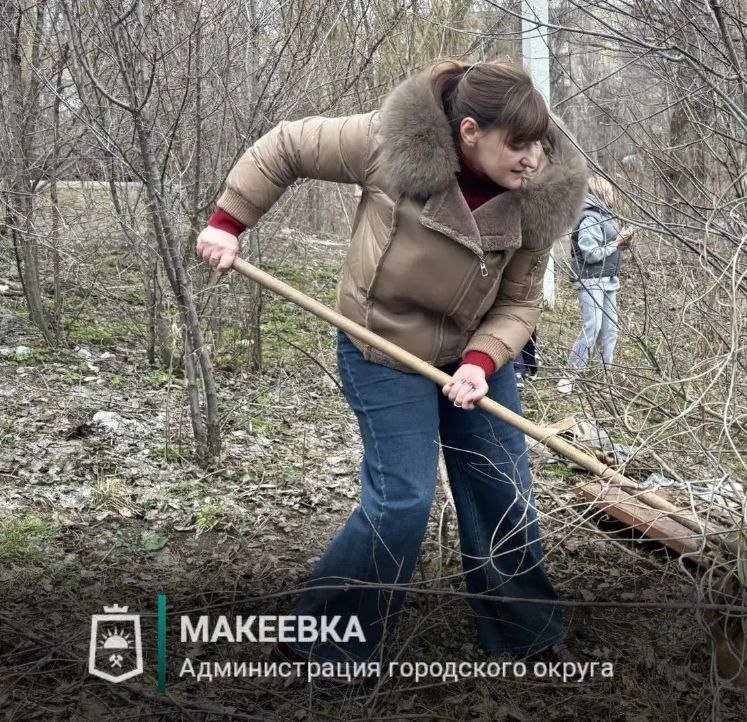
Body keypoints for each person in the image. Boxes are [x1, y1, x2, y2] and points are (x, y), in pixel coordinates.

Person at [195, 60, 590, 679]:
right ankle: (321, 642)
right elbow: (288, 146)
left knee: (501, 485)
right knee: (403, 499)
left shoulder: (540, 196)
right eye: (516, 144)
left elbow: (519, 302)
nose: (532, 158)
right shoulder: (389, 142)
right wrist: (228, 222)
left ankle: (525, 632)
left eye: (539, 142)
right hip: (382, 345)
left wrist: (484, 362)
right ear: (467, 132)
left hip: (475, 355)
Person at [558, 176, 635, 394]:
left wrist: (623, 242)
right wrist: (616, 242)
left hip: (608, 279)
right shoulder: (591, 217)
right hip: (591, 280)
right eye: (610, 191)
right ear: (601, 193)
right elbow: (591, 254)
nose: (613, 195)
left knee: (610, 330)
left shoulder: (605, 216)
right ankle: (568, 376)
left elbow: (608, 246)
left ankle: (605, 381)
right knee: (592, 328)